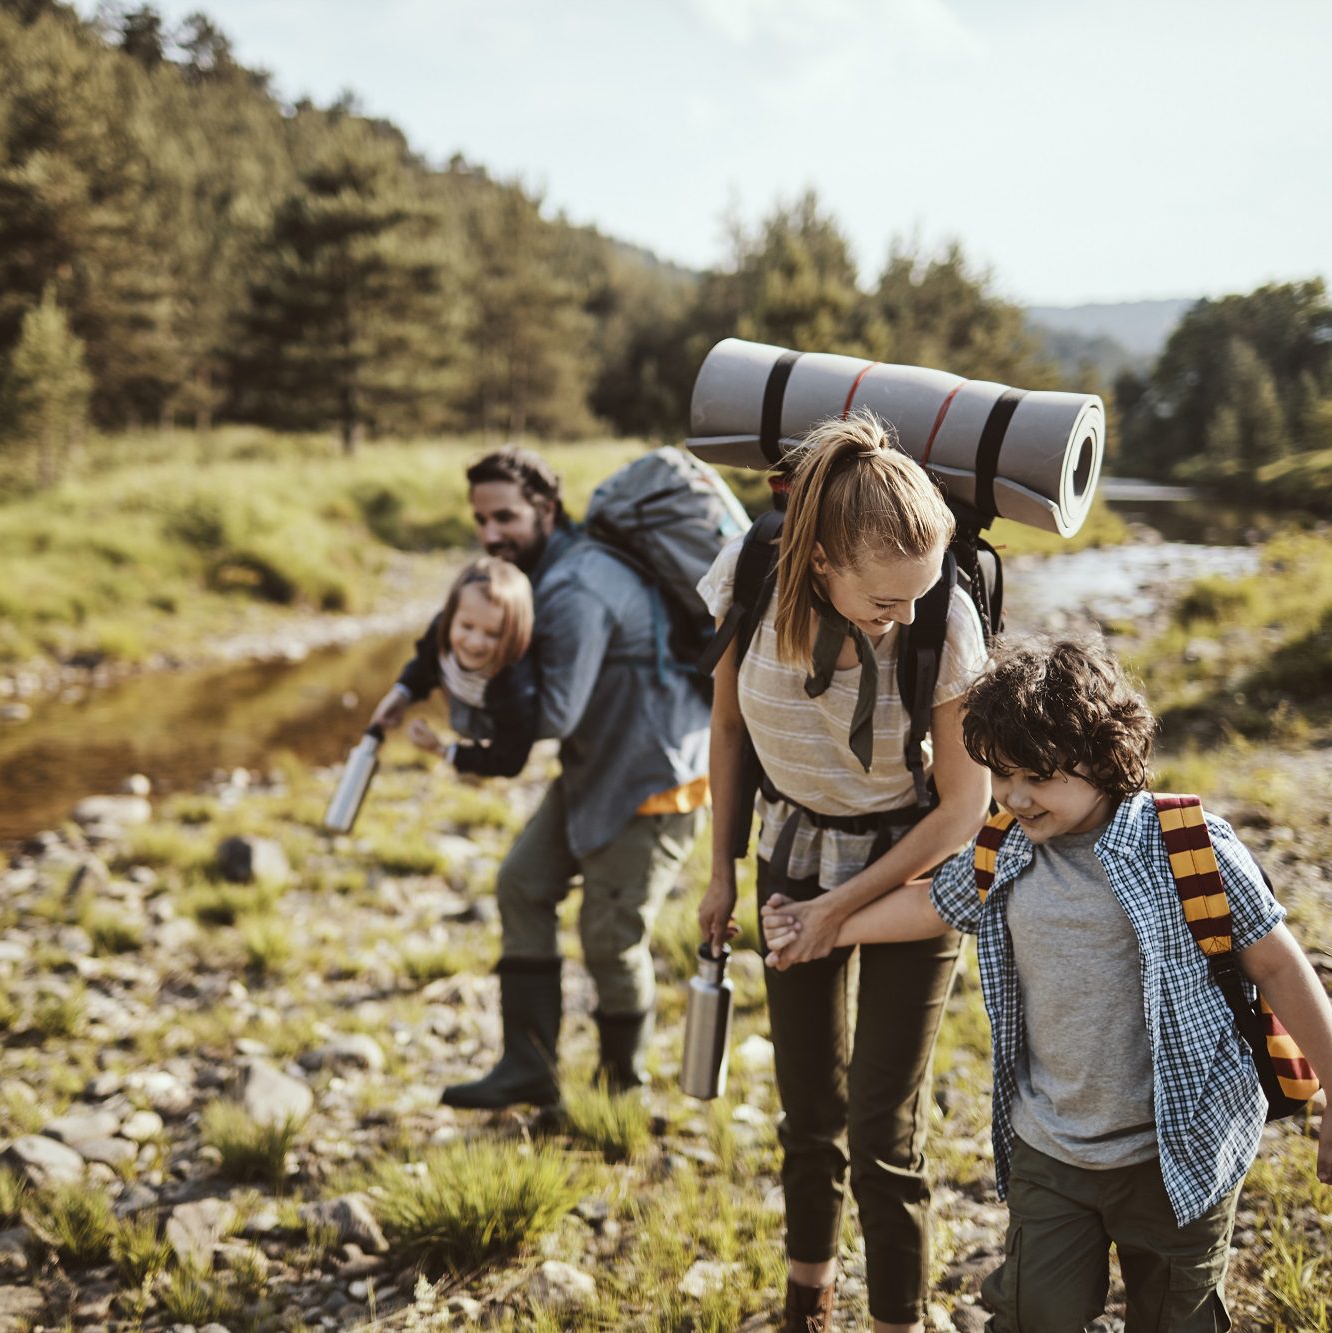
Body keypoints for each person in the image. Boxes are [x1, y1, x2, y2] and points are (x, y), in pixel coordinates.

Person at [763, 636, 1332, 1333]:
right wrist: (829, 926)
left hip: (1181, 1148)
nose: (1015, 795)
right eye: (1000, 773)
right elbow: (935, 902)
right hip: (1053, 1149)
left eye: (1038, 776)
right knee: (1034, 1312)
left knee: (1176, 1314)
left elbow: (1278, 965)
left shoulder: (1188, 846)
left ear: (1105, 757)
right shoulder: (1004, 846)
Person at [695, 411, 993, 1333]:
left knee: (881, 1132)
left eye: (919, 597)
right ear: (819, 559)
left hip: (912, 873)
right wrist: (721, 872)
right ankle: (807, 1302)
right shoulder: (753, 573)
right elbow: (730, 729)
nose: (904, 618)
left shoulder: (943, 619)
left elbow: (962, 808)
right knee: (808, 1114)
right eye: (885, 601)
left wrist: (840, 911)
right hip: (792, 855)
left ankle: (897, 1320)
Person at [372, 446, 711, 1105]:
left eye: (505, 516)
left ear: (546, 510)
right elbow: (467, 624)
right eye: (480, 519)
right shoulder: (542, 573)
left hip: (654, 779)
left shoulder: (574, 588)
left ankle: (621, 1090)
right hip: (599, 771)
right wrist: (413, 682)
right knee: (522, 883)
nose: (491, 533)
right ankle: (527, 1067)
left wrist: (464, 701)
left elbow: (551, 714)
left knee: (610, 940)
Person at [382, 556, 539, 777]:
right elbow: (423, 665)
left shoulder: (514, 687)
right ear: (450, 616)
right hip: (462, 690)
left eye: (493, 634)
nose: (475, 642)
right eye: (467, 626)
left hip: (495, 710)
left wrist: (442, 750)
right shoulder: (440, 631)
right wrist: (401, 694)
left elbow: (509, 762)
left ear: (514, 637)